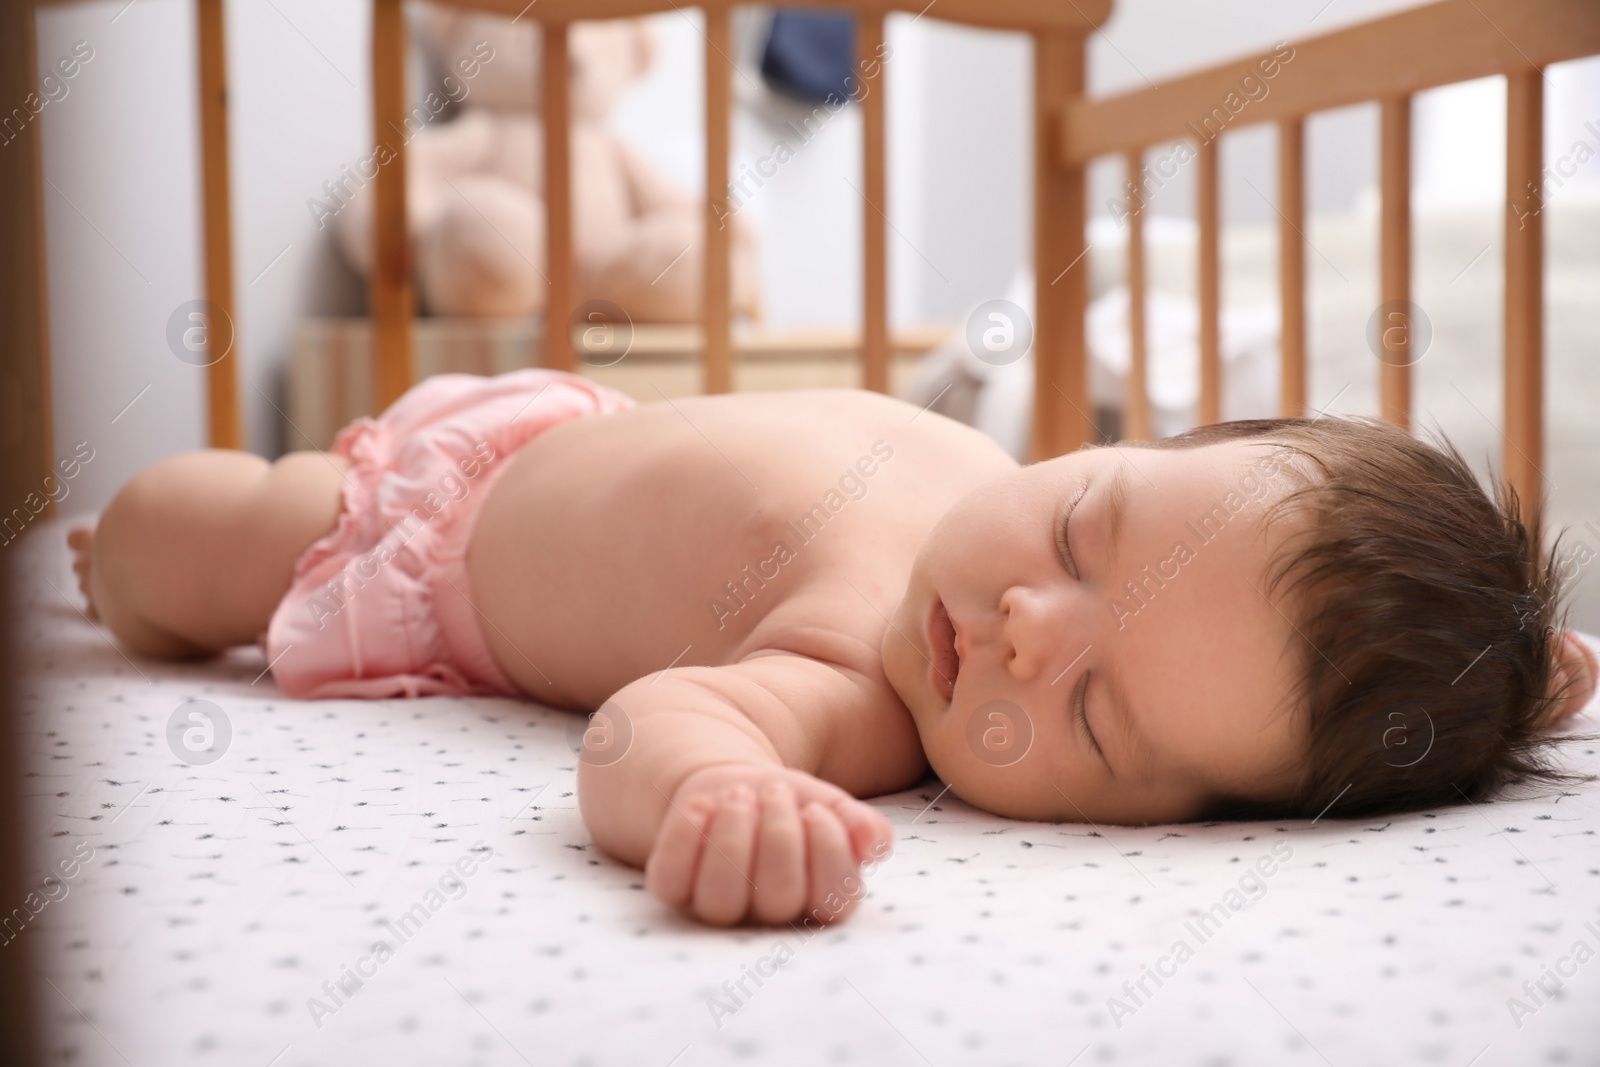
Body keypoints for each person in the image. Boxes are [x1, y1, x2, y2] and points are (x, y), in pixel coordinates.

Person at [69, 369, 1598, 927]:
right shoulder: (968, 518)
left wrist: (710, 795)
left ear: (1175, 826)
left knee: (177, 535)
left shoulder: (867, 694)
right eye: (1084, 535)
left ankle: (117, 574)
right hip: (554, 426)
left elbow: (652, 722)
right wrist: (1519, 651)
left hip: (420, 556)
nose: (1019, 631)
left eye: (1098, 713)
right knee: (188, 507)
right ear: (1151, 440)